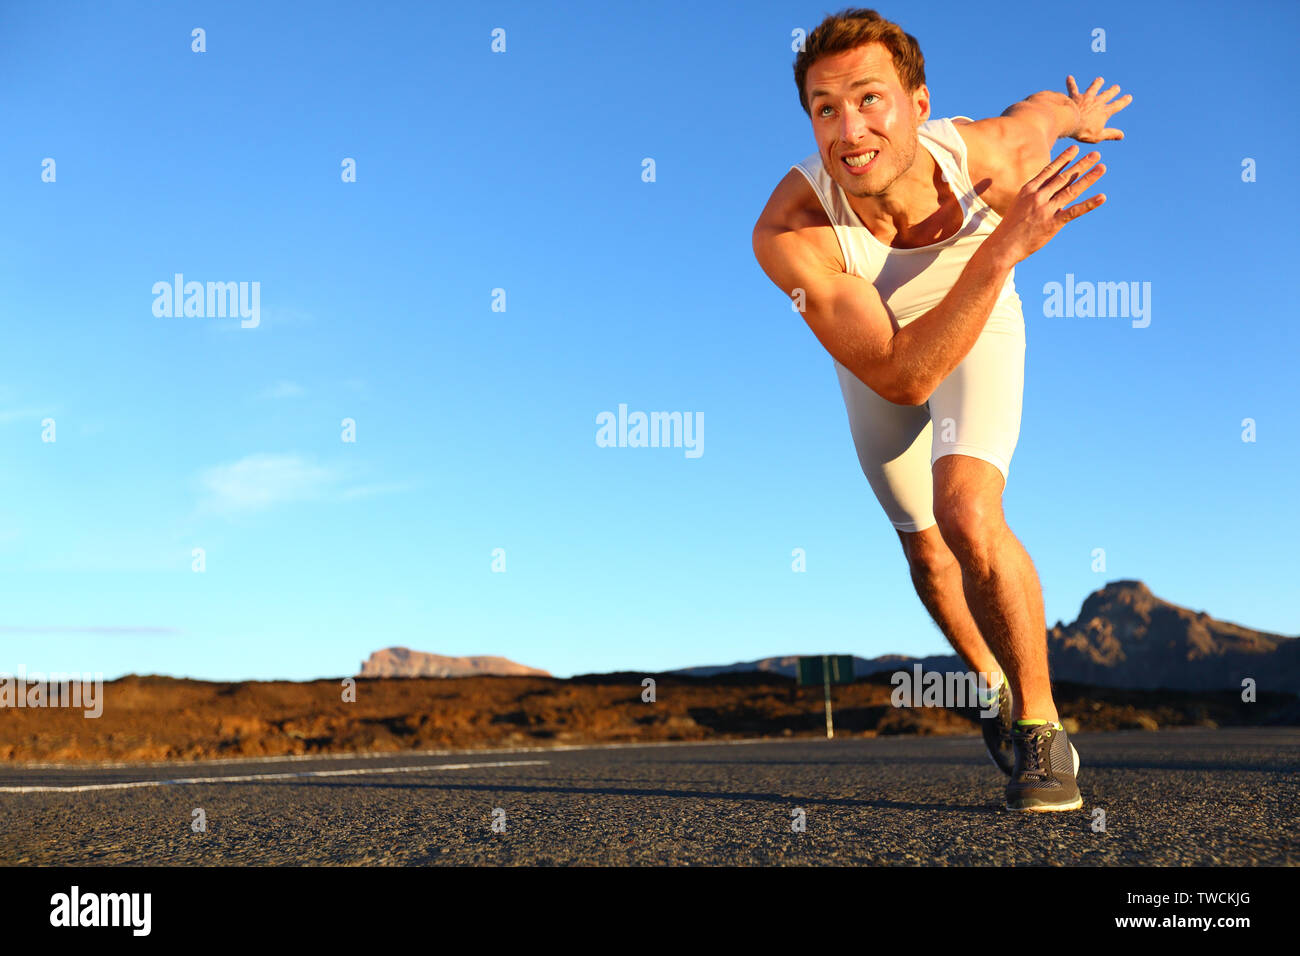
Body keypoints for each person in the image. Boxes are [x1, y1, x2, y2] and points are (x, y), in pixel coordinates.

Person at [751, 8, 1131, 811]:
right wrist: (1004, 248)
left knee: (966, 509)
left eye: (870, 99)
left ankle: (1039, 725)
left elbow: (1044, 111)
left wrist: (1081, 116)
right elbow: (900, 378)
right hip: (888, 354)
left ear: (920, 103)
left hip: (982, 314)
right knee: (926, 551)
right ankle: (988, 684)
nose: (848, 129)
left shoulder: (992, 155)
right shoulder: (791, 231)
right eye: (825, 108)